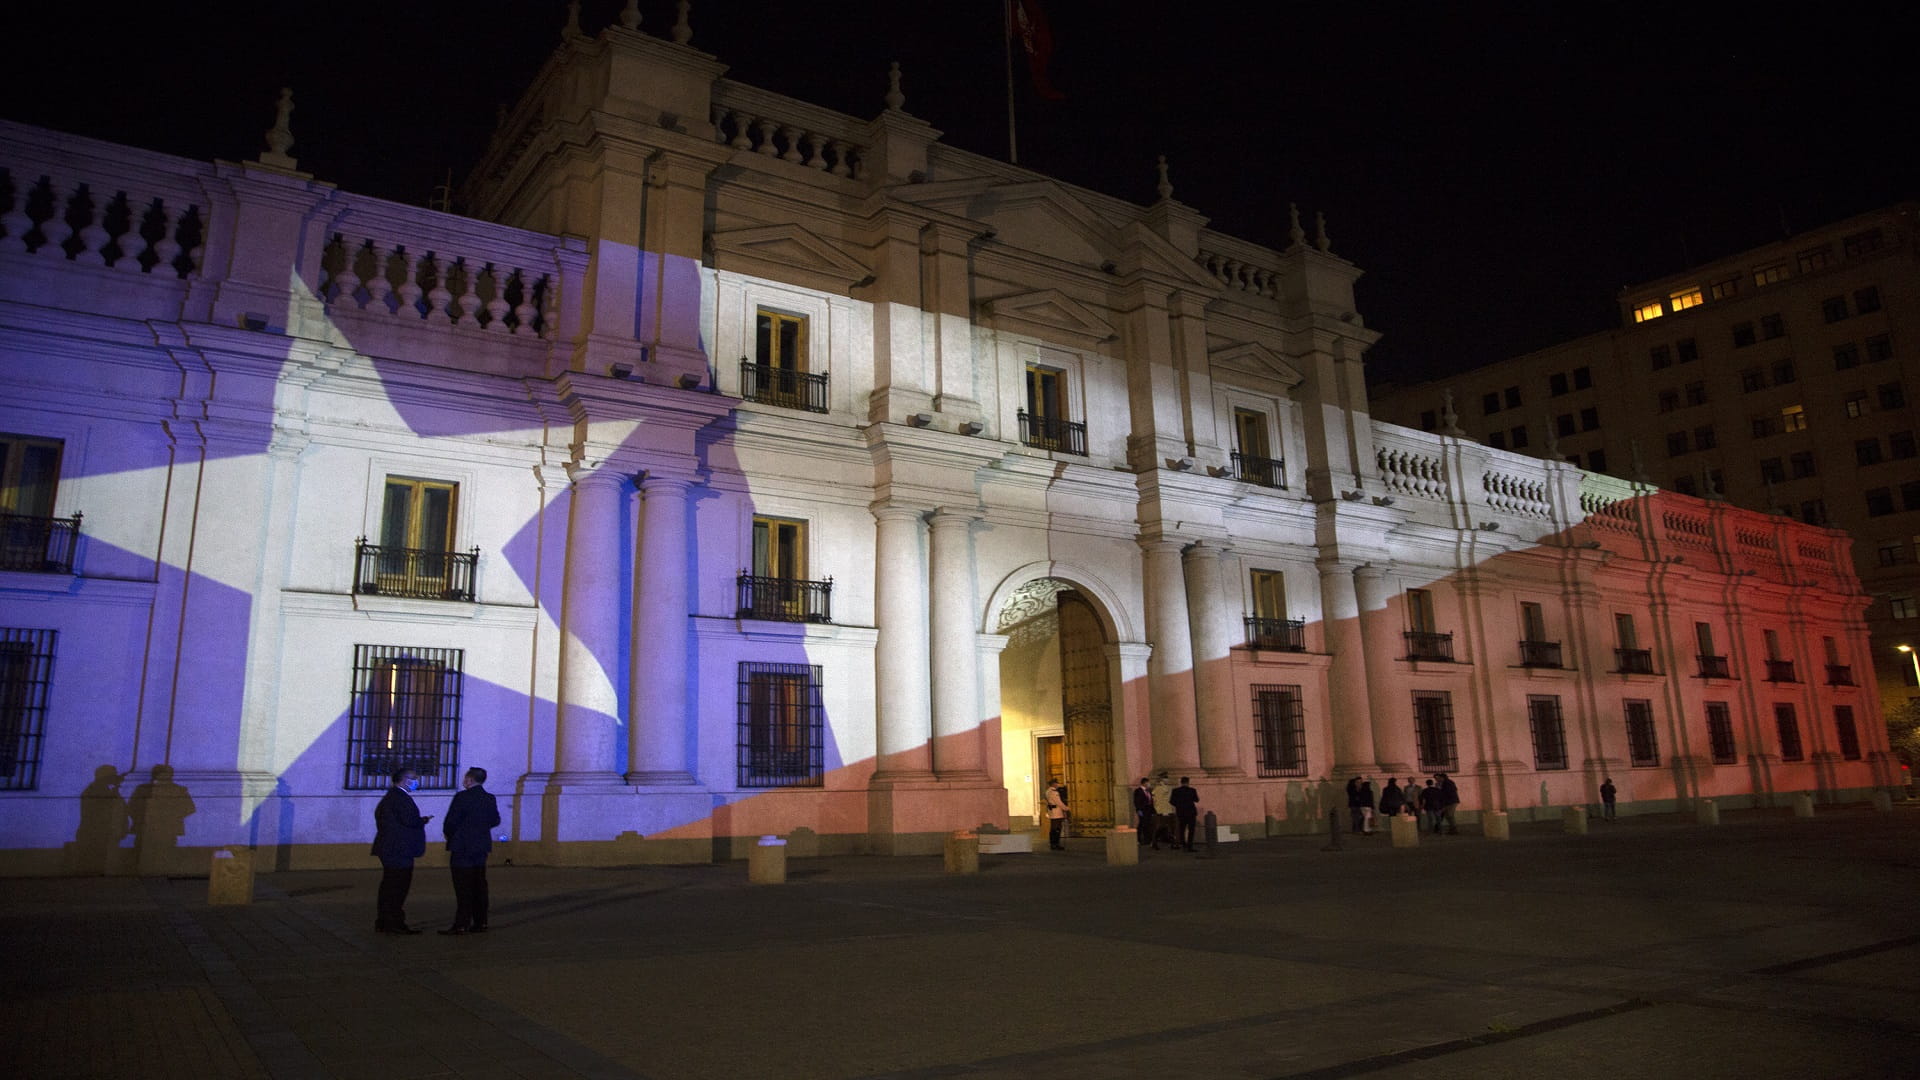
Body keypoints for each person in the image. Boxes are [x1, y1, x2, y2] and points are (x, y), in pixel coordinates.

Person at [439, 766, 501, 935]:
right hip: (480, 846)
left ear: (469, 779)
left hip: (462, 846)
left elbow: (450, 822)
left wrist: (454, 835)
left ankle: (461, 923)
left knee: (463, 887)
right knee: (479, 885)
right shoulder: (489, 798)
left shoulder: (461, 797)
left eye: (465, 778)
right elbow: (495, 820)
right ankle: (481, 922)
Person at [371, 767, 432, 934]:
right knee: (397, 887)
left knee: (389, 886)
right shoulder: (399, 798)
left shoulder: (391, 797)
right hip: (399, 850)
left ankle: (384, 921)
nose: (416, 781)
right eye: (414, 778)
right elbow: (409, 821)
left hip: (391, 848)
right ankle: (394, 923)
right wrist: (422, 820)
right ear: (404, 780)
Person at [1170, 776, 1200, 851]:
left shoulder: (1175, 791)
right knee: (1191, 830)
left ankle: (1183, 844)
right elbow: (1196, 800)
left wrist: (1178, 805)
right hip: (1191, 812)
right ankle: (1190, 846)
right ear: (1188, 782)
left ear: (1181, 782)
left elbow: (1171, 801)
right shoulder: (1192, 790)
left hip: (1181, 812)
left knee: (1182, 829)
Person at [1151, 771, 1175, 846]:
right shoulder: (1160, 788)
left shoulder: (1162, 788)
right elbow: (1157, 799)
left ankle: (1157, 841)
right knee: (1162, 826)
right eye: (1165, 778)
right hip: (1163, 810)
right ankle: (1155, 841)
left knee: (1167, 826)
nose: (1167, 780)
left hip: (1167, 810)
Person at [1044, 778, 1069, 850]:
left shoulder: (1048, 791)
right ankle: (1056, 844)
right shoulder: (1054, 792)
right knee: (1057, 828)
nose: (1058, 784)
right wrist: (1066, 808)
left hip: (1051, 811)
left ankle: (1053, 844)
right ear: (1054, 784)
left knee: (1053, 828)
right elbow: (1059, 802)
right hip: (1057, 812)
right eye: (1057, 783)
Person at [1132, 777, 1156, 848]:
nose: (1149, 784)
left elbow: (1150, 801)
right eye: (1148, 783)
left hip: (1149, 810)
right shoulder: (1138, 791)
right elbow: (1137, 801)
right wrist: (1138, 810)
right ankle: (1138, 839)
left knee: (1147, 824)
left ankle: (1147, 839)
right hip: (1142, 810)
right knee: (1142, 824)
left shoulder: (1148, 791)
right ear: (1144, 783)